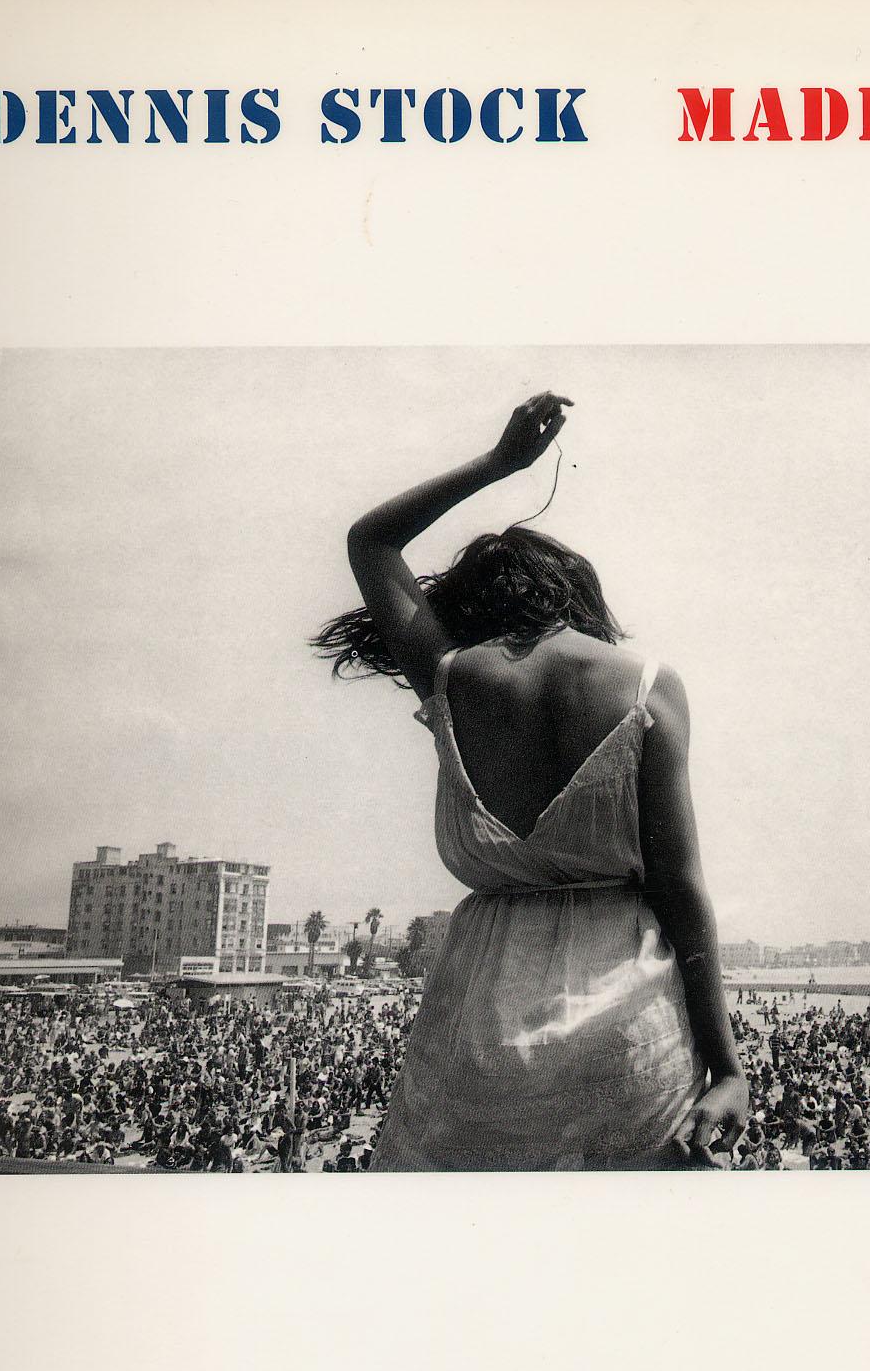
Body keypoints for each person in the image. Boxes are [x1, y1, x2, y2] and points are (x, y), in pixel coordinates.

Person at [313, 392, 748, 1169]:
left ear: (478, 604)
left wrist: (499, 463)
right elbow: (681, 889)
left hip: (480, 1039)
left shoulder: (450, 677)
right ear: (577, 593)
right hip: (630, 1037)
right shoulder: (647, 686)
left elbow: (370, 541)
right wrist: (728, 1067)